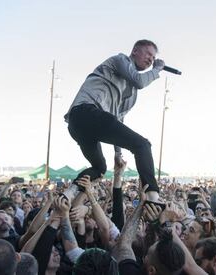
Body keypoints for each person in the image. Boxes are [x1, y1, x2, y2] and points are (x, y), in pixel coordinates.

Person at [64, 39, 165, 202]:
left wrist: (118, 153)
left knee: (99, 168)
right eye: (148, 54)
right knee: (142, 145)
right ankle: (153, 198)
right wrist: (157, 68)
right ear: (135, 51)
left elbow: (118, 118)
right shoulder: (120, 60)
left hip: (84, 126)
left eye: (153, 59)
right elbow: (139, 81)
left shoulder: (131, 93)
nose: (150, 60)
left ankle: (69, 193)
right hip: (85, 112)